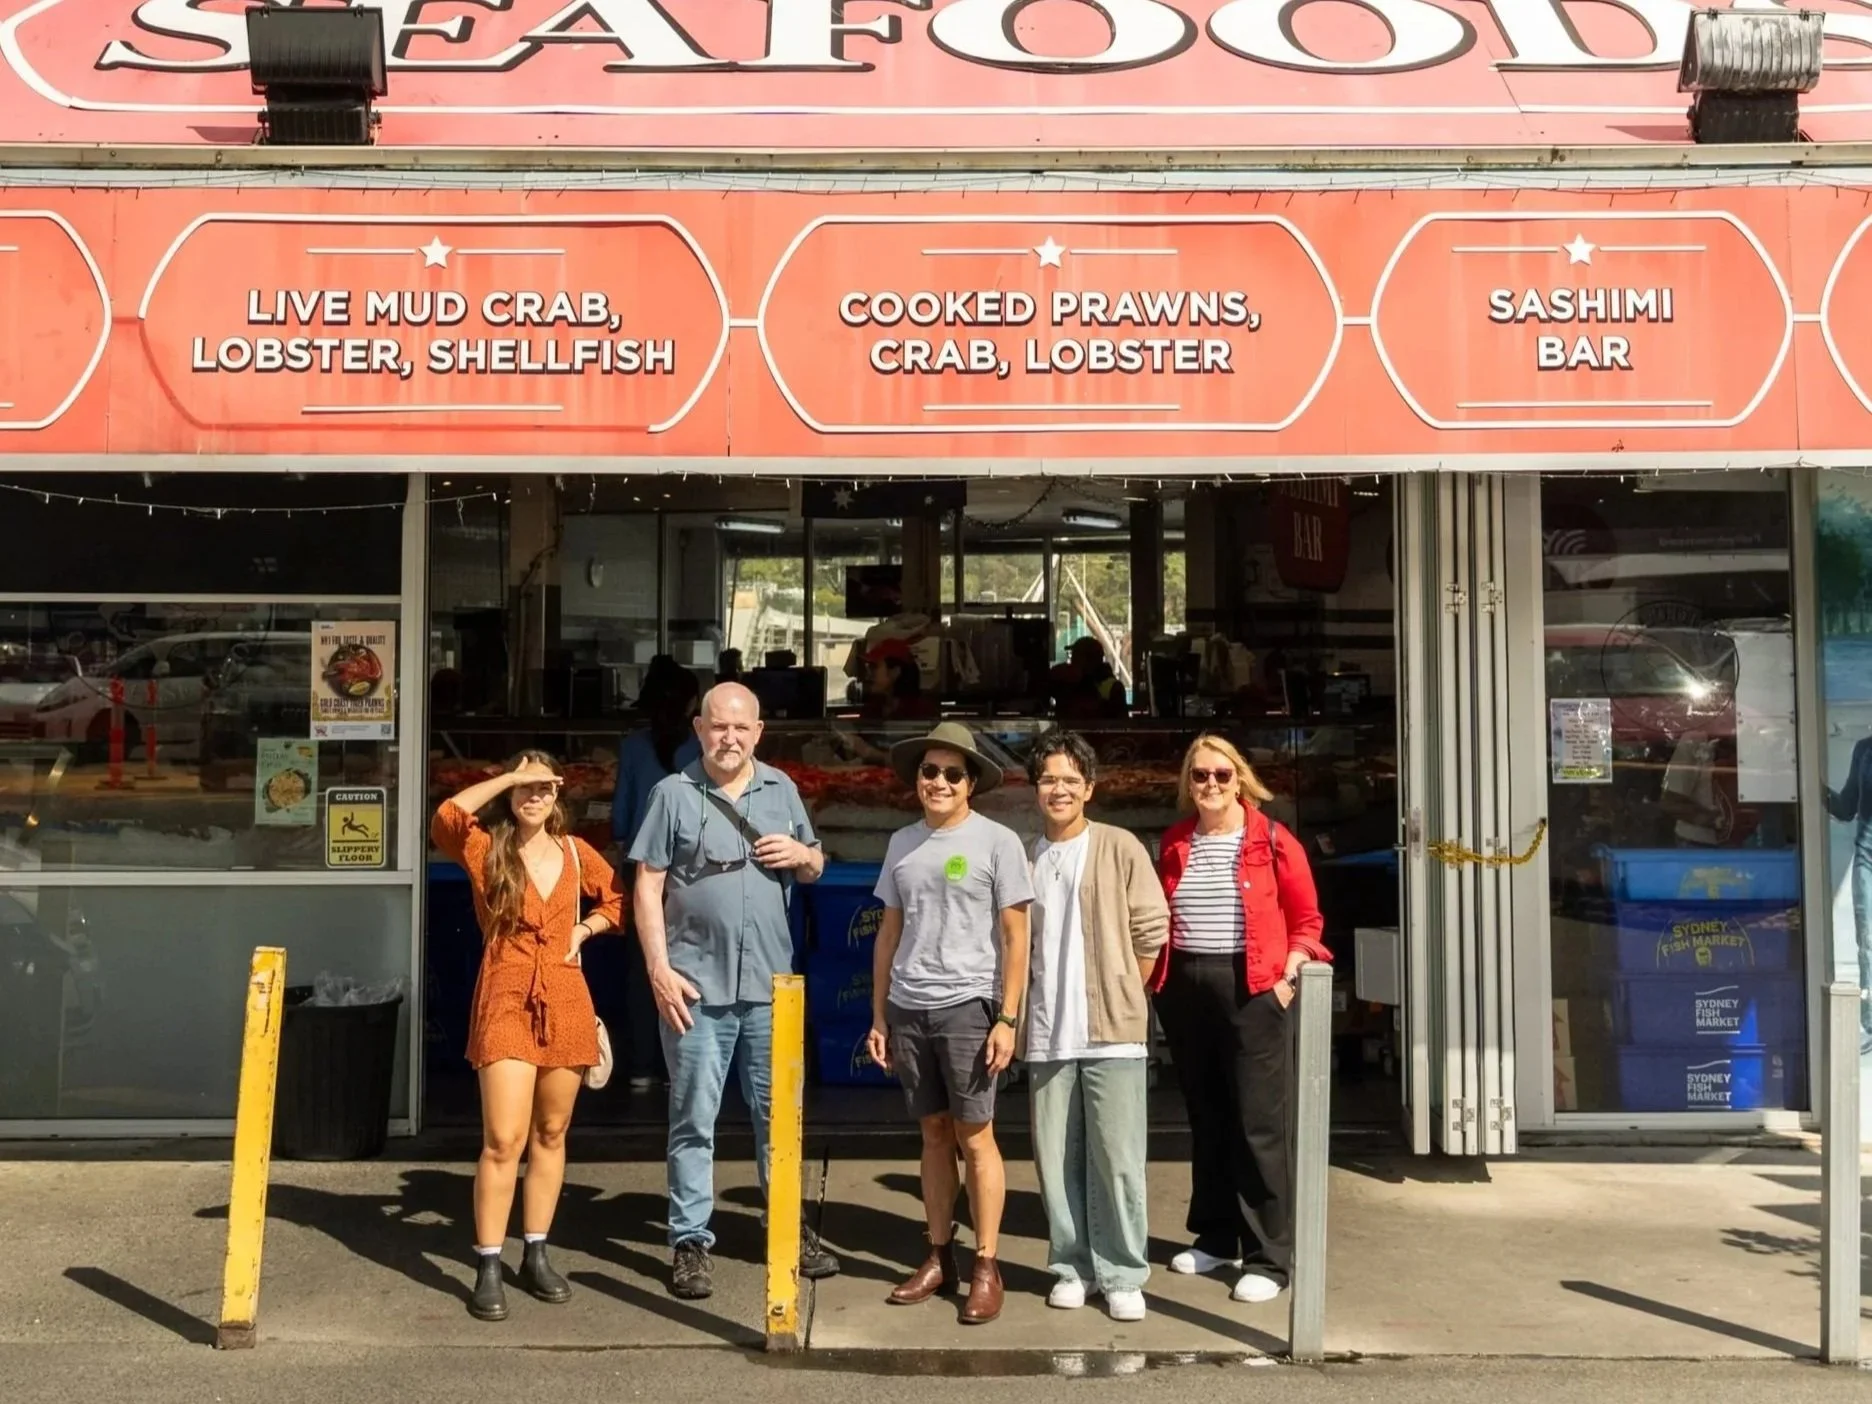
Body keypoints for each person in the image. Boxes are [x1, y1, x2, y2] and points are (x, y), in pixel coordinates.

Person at [631, 682, 841, 1299]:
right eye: (718, 727)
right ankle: (690, 1241)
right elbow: (646, 887)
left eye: (740, 728)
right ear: (699, 729)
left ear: (758, 732)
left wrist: (803, 853)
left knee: (779, 1118)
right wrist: (658, 970)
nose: (729, 738)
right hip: (695, 987)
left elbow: (817, 865)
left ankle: (786, 1228)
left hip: (772, 986)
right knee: (693, 1118)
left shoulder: (783, 790)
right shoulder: (672, 794)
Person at [432, 750, 625, 1322]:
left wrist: (583, 931)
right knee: (503, 1138)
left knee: (552, 1130)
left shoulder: (573, 850)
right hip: (506, 997)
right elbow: (445, 815)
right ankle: (488, 1261)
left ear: (558, 795)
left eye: (544, 787)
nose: (534, 796)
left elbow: (617, 900)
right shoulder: (486, 848)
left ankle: (535, 1250)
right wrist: (509, 776)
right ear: (511, 792)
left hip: (566, 994)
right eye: (525, 787)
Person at [865, 722, 1033, 1324]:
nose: (937, 782)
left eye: (951, 774)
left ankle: (986, 1264)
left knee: (976, 1135)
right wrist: (880, 1013)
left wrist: (1007, 1018)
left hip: (969, 1007)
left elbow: (1017, 937)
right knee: (933, 1132)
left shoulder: (997, 842)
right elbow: (889, 933)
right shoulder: (901, 843)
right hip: (911, 1005)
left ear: (971, 785)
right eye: (928, 771)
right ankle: (940, 1255)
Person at [1152, 732, 1328, 1306]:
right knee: (1207, 1116)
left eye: (1222, 776)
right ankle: (1217, 1235)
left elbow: (1308, 920)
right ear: (1188, 782)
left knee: (1259, 1122)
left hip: (1253, 988)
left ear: (1241, 779)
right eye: (1200, 775)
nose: (1210, 785)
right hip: (1186, 989)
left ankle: (1270, 1256)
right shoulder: (1177, 840)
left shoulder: (1275, 840)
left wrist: (1286, 980)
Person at [1023, 729, 1168, 1323]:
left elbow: (1151, 929)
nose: (1058, 789)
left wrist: (1123, 991)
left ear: (1089, 788)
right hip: (1047, 1029)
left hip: (1112, 1031)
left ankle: (1123, 1271)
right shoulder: (1025, 854)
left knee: (1117, 1155)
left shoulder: (1118, 846)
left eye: (1069, 780)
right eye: (1048, 779)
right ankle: (1071, 1264)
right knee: (1056, 1157)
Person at [612, 657, 703, 1089]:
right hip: (694, 868)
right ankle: (678, 1068)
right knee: (688, 963)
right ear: (692, 705)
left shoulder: (633, 745)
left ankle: (642, 1068)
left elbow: (621, 816)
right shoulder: (700, 747)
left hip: (641, 866)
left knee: (641, 965)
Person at [1825, 735, 1872, 1050]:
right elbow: (1844, 807)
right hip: (1868, 858)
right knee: (1868, 942)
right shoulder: (1864, 747)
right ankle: (1871, 1024)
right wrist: (1808, 783)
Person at [1050, 636, 1127, 719]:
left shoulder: (1112, 687)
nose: (1071, 660)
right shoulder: (1069, 677)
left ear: (1086, 659)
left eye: (1075, 655)